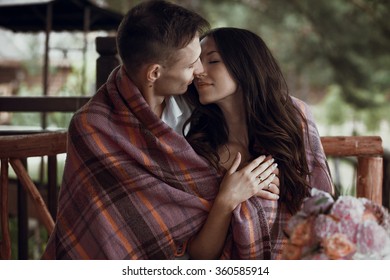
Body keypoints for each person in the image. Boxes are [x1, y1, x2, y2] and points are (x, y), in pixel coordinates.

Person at [42, 1, 278, 260]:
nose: (199, 71)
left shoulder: (200, 105)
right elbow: (101, 225)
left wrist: (254, 184)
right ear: (154, 72)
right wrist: (227, 197)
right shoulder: (93, 127)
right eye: (190, 65)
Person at [183, 27, 334, 259]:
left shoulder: (294, 117)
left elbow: (323, 205)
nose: (199, 71)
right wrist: (227, 199)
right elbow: (200, 257)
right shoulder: (200, 147)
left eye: (212, 60)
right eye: (196, 62)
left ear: (245, 65)